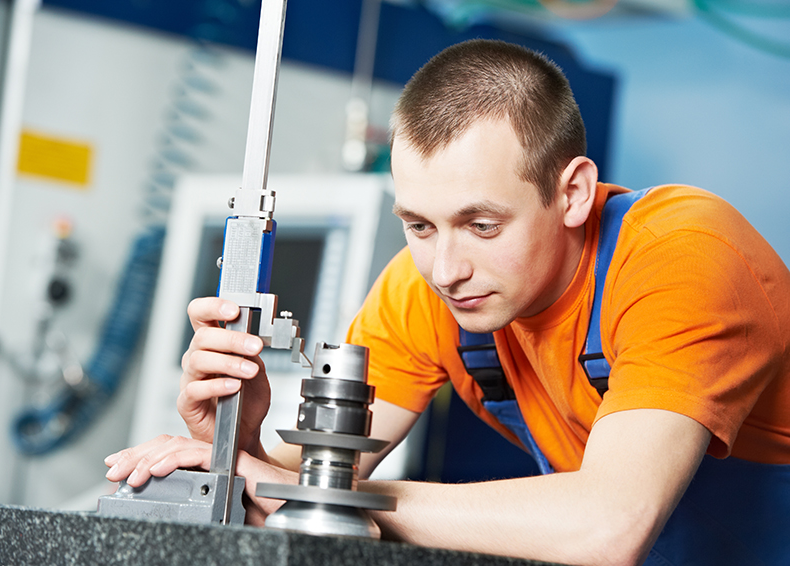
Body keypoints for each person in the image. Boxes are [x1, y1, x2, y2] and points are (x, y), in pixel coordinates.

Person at [104, 40, 790, 565]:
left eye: (483, 225)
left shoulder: (681, 252)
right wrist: (234, 441)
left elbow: (608, 526)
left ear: (573, 193)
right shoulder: (422, 286)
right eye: (420, 225)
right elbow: (290, 498)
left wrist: (323, 496)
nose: (447, 269)